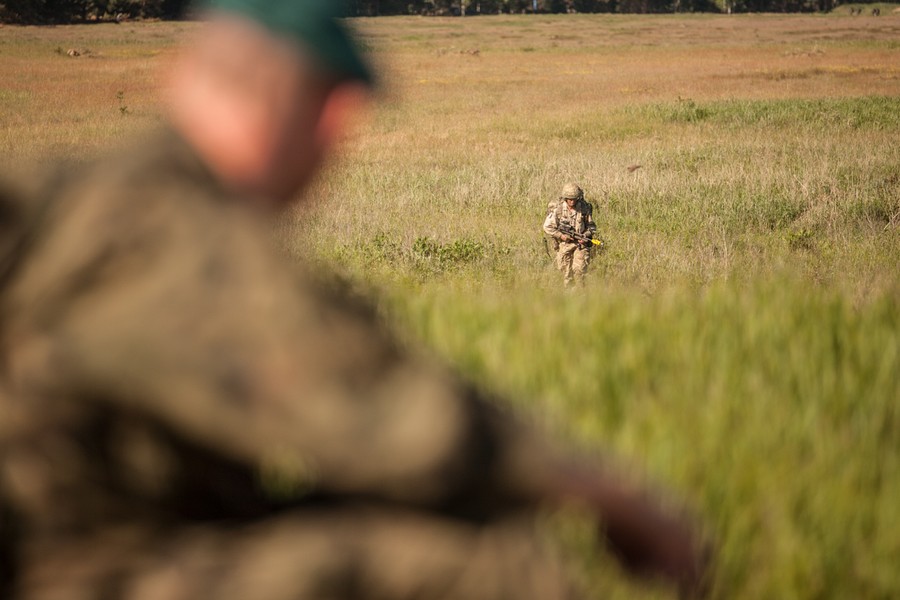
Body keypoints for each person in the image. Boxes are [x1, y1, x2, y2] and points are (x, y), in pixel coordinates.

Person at [0, 1, 709, 598]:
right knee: (489, 560)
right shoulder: (175, 234)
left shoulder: (72, 193)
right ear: (326, 113)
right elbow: (393, 418)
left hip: (79, 537)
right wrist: (606, 494)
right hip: (66, 574)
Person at [543, 182, 598, 287]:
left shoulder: (584, 208)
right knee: (565, 272)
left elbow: (592, 227)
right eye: (569, 199)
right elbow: (547, 227)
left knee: (579, 271)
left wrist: (585, 235)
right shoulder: (558, 209)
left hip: (580, 244)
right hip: (564, 244)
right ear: (565, 198)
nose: (572, 201)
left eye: (574, 199)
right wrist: (561, 236)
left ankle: (580, 294)